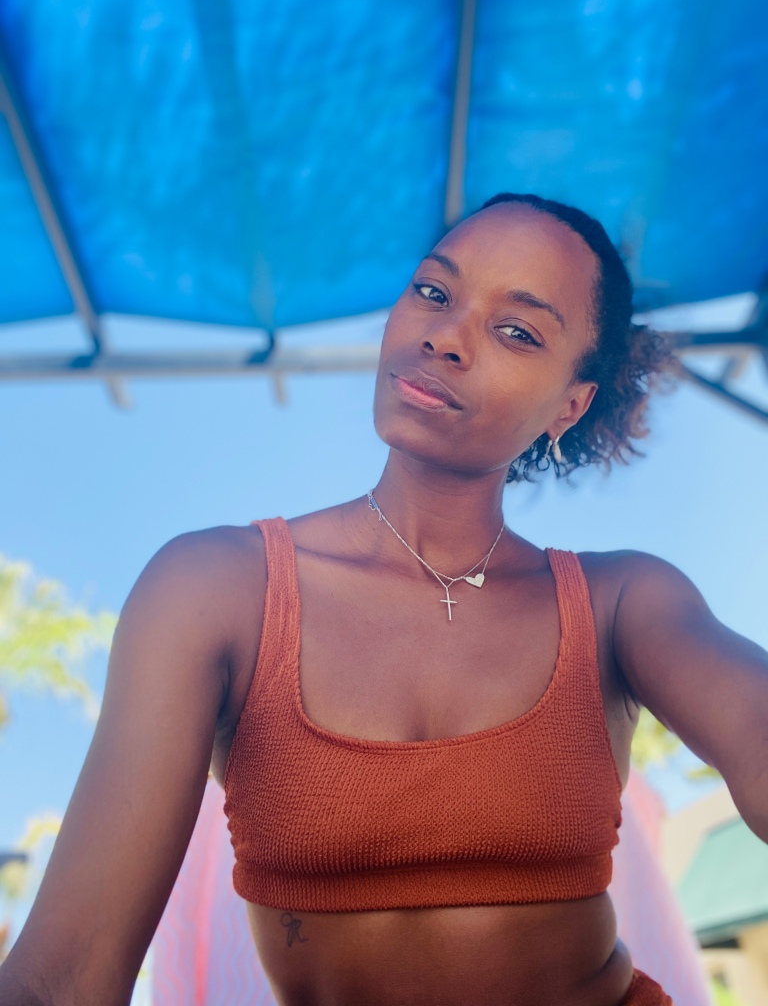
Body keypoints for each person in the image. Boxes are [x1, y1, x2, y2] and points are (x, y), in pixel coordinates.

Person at [1, 194, 767, 1006]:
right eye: (434, 292)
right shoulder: (214, 590)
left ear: (570, 405)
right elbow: (64, 977)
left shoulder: (621, 604)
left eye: (517, 331)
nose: (445, 336)